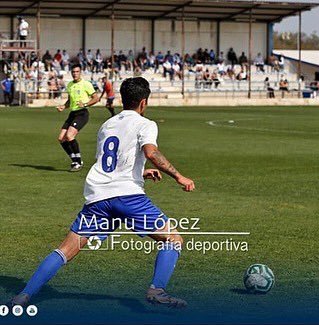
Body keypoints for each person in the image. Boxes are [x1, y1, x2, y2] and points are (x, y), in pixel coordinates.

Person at [11, 77, 195, 309]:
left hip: (98, 197)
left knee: (65, 250)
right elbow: (151, 152)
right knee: (173, 239)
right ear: (143, 102)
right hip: (129, 198)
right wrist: (179, 176)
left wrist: (140, 173)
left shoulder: (107, 125)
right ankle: (157, 290)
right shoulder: (146, 124)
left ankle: (23, 295)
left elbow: (111, 162)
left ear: (123, 99)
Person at [56, 64, 99, 172]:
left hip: (82, 114)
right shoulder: (70, 85)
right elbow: (70, 101)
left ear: (80, 73)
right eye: (73, 72)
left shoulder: (86, 84)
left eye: (77, 72)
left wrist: (85, 104)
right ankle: (74, 160)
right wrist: (63, 106)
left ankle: (78, 162)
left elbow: (96, 98)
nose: (75, 74)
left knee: (70, 136)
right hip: (73, 113)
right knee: (61, 138)